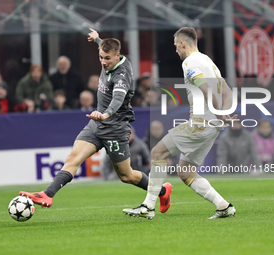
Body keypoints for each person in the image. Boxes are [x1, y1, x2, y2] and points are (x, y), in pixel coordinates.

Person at [19, 28, 171, 214]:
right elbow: (104, 46)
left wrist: (106, 114)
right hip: (96, 123)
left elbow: (117, 99)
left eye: (107, 58)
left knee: (126, 175)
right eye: (101, 57)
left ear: (118, 56)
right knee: (73, 158)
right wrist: (97, 39)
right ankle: (47, 194)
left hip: (115, 128)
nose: (103, 62)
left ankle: (163, 191)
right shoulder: (109, 53)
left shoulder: (122, 75)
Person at [123, 27, 237, 219]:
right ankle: (223, 206)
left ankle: (148, 207)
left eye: (176, 46)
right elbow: (227, 92)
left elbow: (206, 89)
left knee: (157, 152)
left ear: (183, 43)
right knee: (185, 171)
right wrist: (223, 113)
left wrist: (218, 113)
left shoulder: (190, 62)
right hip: (214, 126)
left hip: (201, 123)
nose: (176, 50)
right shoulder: (208, 61)